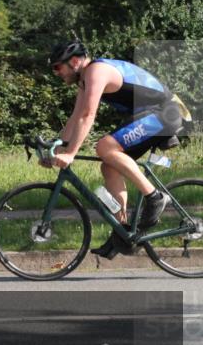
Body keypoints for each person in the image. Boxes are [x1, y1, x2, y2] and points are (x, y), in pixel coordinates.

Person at [44, 40, 185, 259]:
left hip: (165, 113)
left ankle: (155, 197)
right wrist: (55, 148)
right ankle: (123, 233)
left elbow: (88, 116)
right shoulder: (85, 81)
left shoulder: (96, 71)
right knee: (109, 167)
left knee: (104, 146)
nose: (56, 72)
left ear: (75, 61)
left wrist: (71, 153)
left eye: (57, 67)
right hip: (151, 115)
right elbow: (75, 118)